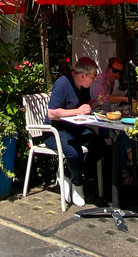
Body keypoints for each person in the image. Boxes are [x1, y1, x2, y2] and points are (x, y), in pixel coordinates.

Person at [45, 57, 105, 207]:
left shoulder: (83, 87)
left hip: (75, 129)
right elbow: (52, 113)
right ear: (83, 75)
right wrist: (77, 111)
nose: (95, 80)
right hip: (55, 130)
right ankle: (77, 184)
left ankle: (68, 173)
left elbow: (84, 108)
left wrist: (97, 103)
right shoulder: (63, 83)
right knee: (74, 151)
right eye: (93, 76)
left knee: (100, 145)